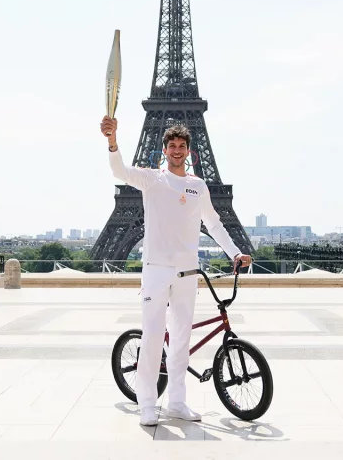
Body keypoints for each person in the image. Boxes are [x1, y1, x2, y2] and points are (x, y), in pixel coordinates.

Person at [100, 116, 252, 427]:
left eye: (182, 146)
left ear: (190, 152)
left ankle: (177, 402)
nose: (177, 151)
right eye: (172, 146)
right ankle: (146, 404)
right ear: (164, 150)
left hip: (187, 273)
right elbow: (119, 171)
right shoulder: (152, 179)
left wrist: (235, 252)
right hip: (156, 271)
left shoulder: (198, 186)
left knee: (181, 340)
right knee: (154, 337)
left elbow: (213, 223)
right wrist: (113, 141)